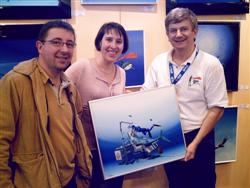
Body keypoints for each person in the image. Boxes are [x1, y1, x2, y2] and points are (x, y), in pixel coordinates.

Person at [142, 8, 228, 188]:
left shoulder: (210, 64)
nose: (178, 34)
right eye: (173, 30)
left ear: (195, 31)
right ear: (167, 34)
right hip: (169, 137)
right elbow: (146, 96)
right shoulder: (158, 63)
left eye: (184, 29)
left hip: (199, 137)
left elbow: (217, 108)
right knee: (176, 184)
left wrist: (194, 144)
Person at [0, 20, 92, 188]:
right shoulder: (15, 82)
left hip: (71, 181)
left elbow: (76, 136)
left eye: (69, 44)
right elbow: (1, 141)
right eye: (56, 42)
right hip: (36, 182)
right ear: (39, 46)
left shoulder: (70, 87)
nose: (64, 49)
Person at [65, 22, 129, 188]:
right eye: (109, 39)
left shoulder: (121, 73)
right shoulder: (82, 67)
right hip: (88, 150)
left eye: (119, 41)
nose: (113, 46)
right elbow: (57, 95)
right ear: (100, 42)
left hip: (115, 148)